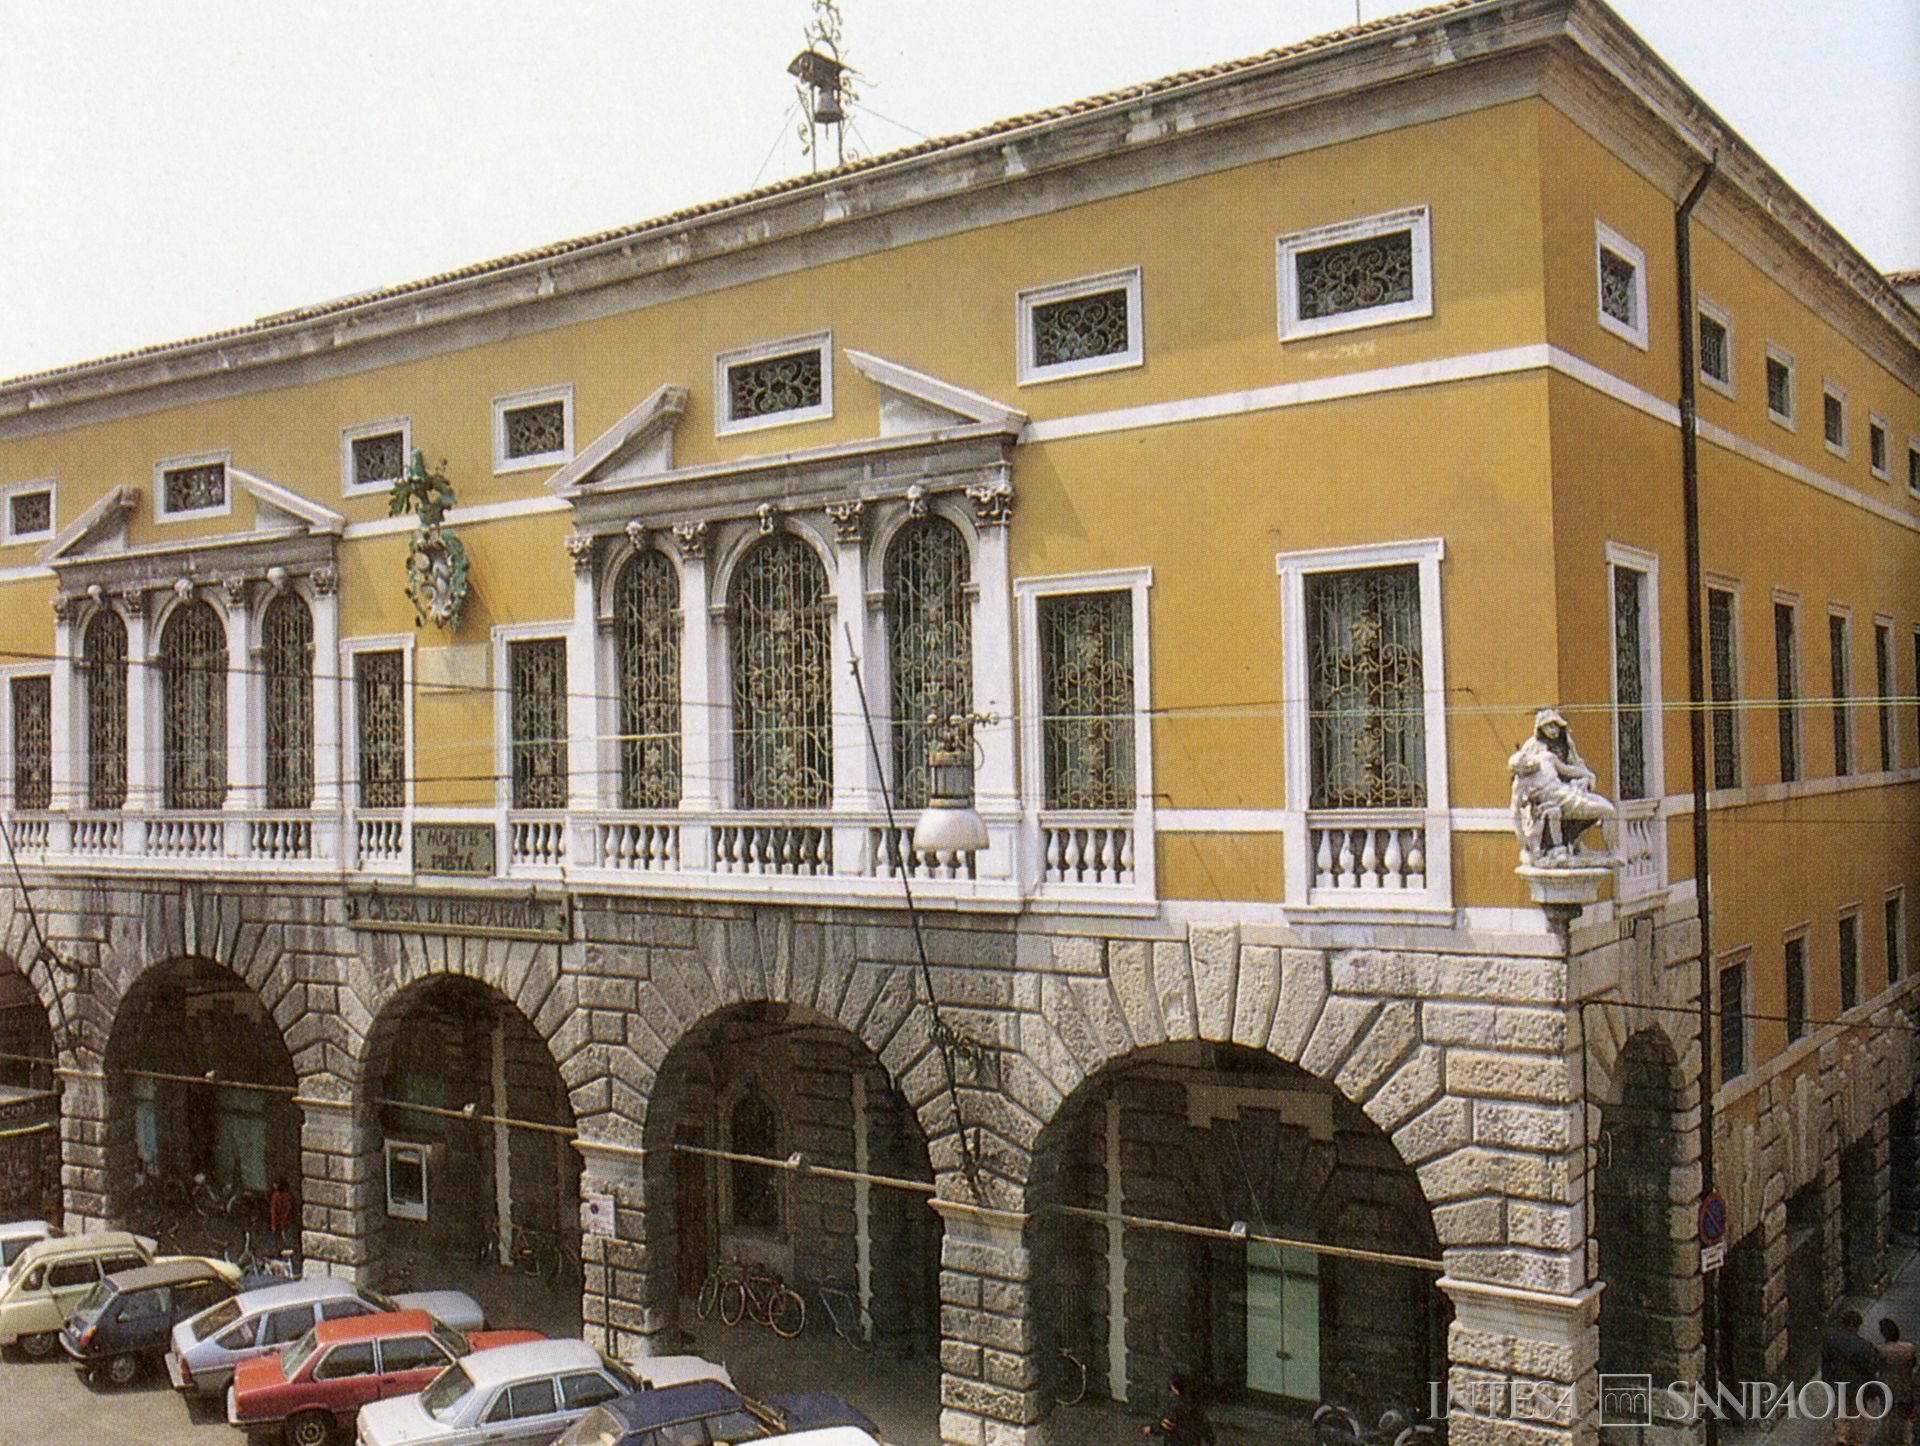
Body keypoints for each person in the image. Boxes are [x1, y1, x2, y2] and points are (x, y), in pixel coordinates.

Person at [1823, 1309, 1884, 1445]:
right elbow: (1871, 1368)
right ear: (1856, 1326)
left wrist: (1827, 1380)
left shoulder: (1831, 1339)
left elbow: (1826, 1362)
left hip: (1838, 1381)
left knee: (1840, 1410)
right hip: (1858, 1384)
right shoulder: (1864, 1345)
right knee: (1857, 1413)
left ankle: (1841, 1436)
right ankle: (1856, 1441)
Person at [1141, 1373, 1214, 1445]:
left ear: (1175, 1387)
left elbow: (1167, 1424)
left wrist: (1151, 1429)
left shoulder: (1176, 1405)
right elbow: (1204, 1426)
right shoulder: (1195, 1404)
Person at [1878, 1318, 1916, 1445]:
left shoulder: (1880, 1350)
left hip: (1886, 1387)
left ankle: (1889, 1440)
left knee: (1887, 1416)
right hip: (1905, 1386)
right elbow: (1912, 1364)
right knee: (1905, 1416)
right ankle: (1907, 1440)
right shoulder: (1909, 1348)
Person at [267, 1177, 298, 1251]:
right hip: (289, 1221)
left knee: (282, 1242)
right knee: (289, 1242)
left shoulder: (276, 1196)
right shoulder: (289, 1195)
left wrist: (274, 1224)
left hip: (282, 1222)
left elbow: (274, 1211)